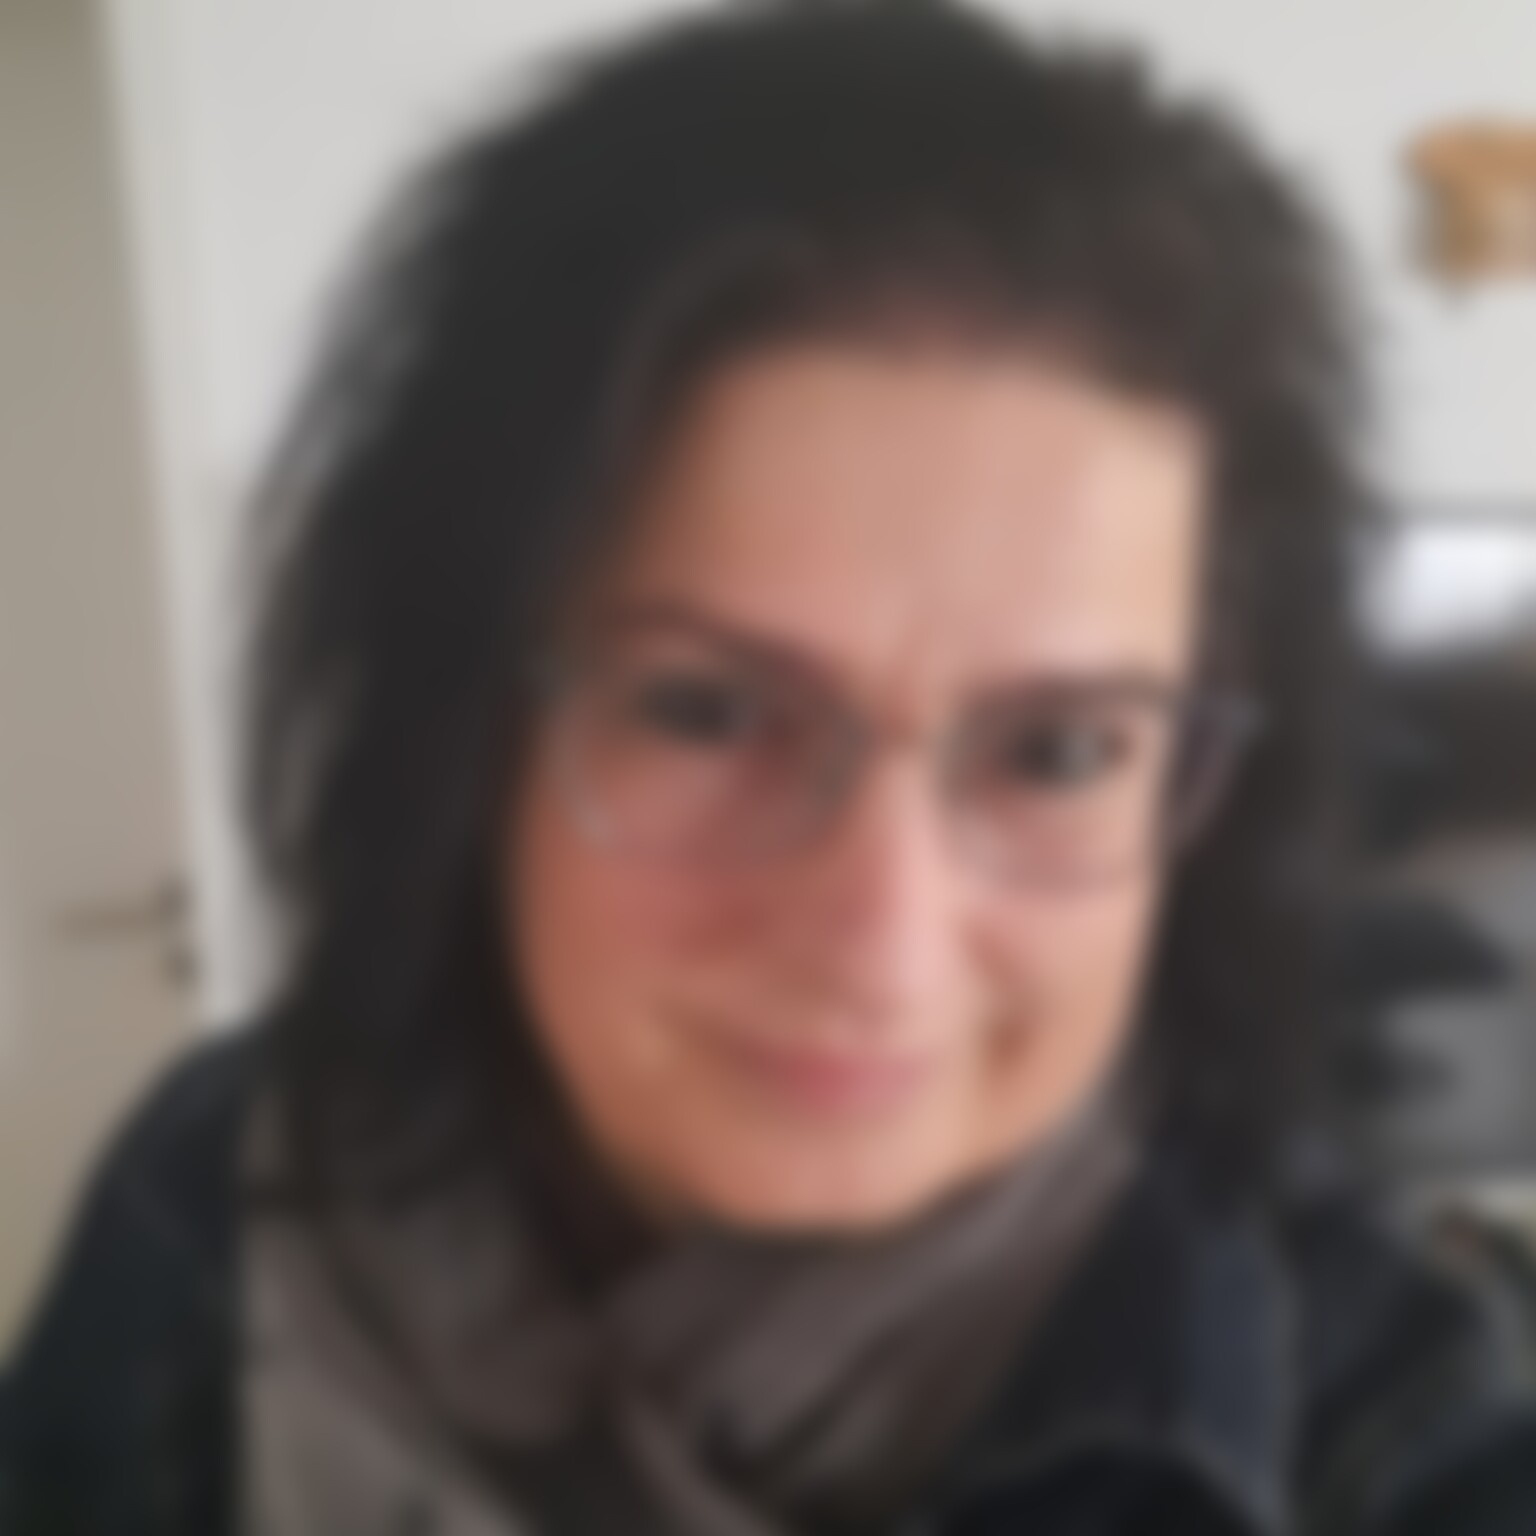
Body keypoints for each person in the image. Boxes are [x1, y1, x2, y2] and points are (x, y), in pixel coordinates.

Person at [5, 3, 1536, 1532]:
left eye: (1059, 751)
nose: (882, 943)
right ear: (465, 726)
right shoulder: (224, 1182)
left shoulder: (1388, 1426)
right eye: (706, 711)